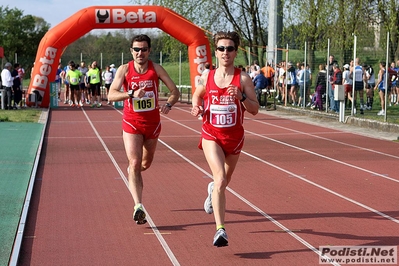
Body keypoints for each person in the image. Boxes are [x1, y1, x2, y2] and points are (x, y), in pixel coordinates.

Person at [190, 31, 259, 247]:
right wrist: (196, 106)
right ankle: (220, 230)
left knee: (223, 183)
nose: (225, 52)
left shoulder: (243, 78)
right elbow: (198, 94)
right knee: (219, 178)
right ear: (216, 52)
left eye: (229, 48)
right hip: (212, 134)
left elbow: (255, 109)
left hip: (235, 138)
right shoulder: (208, 76)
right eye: (221, 48)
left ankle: (212, 192)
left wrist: (242, 97)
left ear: (235, 52)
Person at [107, 34, 179, 225]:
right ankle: (138, 205)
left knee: (145, 164)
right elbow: (111, 95)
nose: (140, 53)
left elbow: (174, 91)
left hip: (153, 124)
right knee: (135, 161)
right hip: (132, 122)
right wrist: (130, 93)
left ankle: (133, 171)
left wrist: (169, 104)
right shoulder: (124, 70)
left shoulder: (156, 69)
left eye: (144, 49)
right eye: (136, 49)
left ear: (149, 51)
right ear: (131, 51)